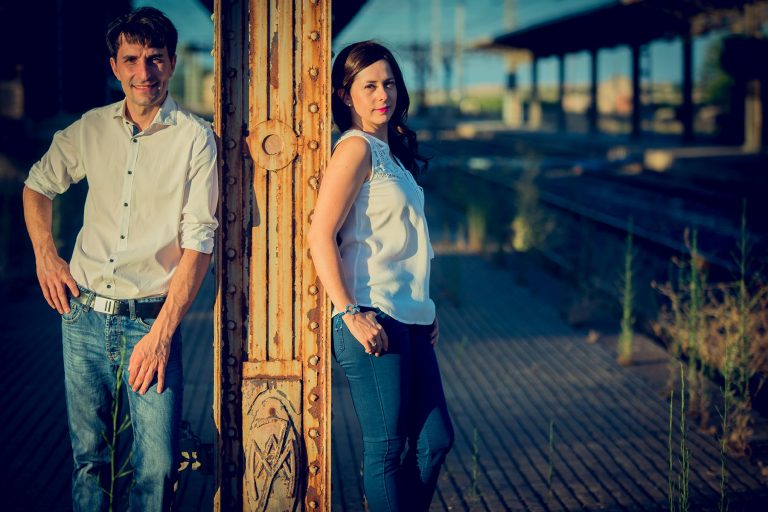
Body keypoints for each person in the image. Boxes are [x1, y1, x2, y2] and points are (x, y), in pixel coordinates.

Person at [22, 7, 218, 510]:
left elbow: (199, 244)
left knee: (157, 466)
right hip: (82, 317)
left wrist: (162, 336)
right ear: (115, 65)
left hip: (151, 323)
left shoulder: (196, 139)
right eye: (131, 59)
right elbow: (38, 185)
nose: (143, 72)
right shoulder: (91, 129)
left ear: (172, 63)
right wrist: (47, 256)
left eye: (155, 59)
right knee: (90, 458)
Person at [308, 40, 454, 511]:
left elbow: (405, 243)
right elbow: (320, 234)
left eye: (388, 82)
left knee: (436, 440)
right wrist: (349, 311)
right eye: (368, 85)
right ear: (345, 95)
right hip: (372, 318)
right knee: (387, 449)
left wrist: (425, 307)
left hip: (408, 319)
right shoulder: (354, 149)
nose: (381, 94)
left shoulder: (391, 155)